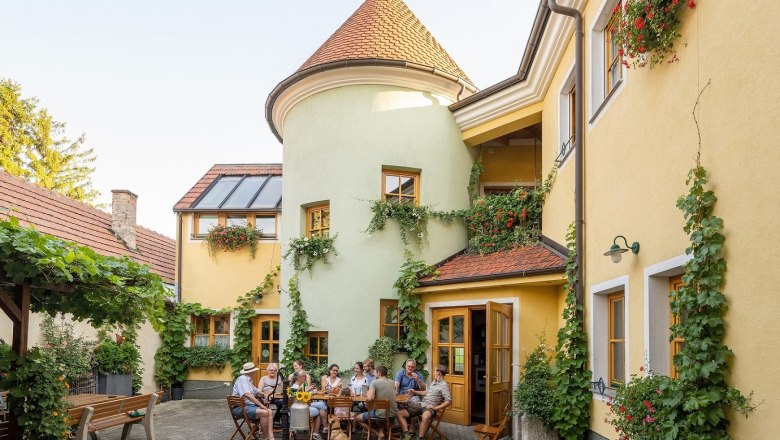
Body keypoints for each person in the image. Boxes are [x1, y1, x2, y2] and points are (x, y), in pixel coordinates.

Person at [396, 365, 451, 440]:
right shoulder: (434, 382)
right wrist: (415, 391)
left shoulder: (444, 385)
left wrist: (435, 407)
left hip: (430, 407)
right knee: (400, 413)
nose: (434, 373)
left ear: (439, 373)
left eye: (435, 371)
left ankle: (420, 438)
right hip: (422, 404)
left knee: (425, 417)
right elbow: (426, 392)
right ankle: (407, 435)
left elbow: (448, 401)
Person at [232, 362, 274, 440]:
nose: (255, 372)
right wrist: (261, 405)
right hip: (239, 408)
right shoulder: (242, 379)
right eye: (255, 371)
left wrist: (265, 394)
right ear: (251, 372)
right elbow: (248, 395)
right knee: (264, 412)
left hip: (248, 407)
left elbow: (257, 392)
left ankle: (270, 436)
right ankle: (266, 437)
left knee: (270, 411)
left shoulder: (249, 381)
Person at [357, 365, 397, 440]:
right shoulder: (392, 382)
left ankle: (377, 433)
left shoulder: (375, 382)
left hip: (380, 415)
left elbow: (369, 398)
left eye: (375, 372)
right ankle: (381, 432)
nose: (375, 374)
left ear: (379, 373)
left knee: (358, 418)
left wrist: (369, 393)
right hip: (393, 415)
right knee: (380, 413)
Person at [290, 369, 327, 440]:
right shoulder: (294, 388)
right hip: (299, 411)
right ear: (298, 378)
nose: (306, 378)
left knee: (321, 405)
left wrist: (308, 396)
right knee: (318, 411)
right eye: (304, 376)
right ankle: (316, 432)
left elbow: (301, 398)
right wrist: (308, 391)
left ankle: (320, 430)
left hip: (302, 407)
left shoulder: (298, 386)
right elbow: (297, 399)